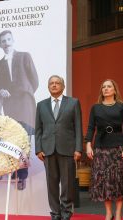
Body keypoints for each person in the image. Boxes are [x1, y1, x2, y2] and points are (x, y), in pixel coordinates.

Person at [0, 30, 39, 190]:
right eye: (3, 41)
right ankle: (14, 168)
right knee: (13, 138)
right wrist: (0, 91)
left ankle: (21, 174)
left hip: (24, 102)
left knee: (23, 138)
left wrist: (23, 92)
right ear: (0, 45)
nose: (6, 42)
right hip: (10, 105)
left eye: (8, 39)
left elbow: (34, 81)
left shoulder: (25, 56)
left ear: (13, 40)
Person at [85, 79, 123, 220]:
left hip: (118, 146)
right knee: (104, 181)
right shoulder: (96, 108)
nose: (106, 89)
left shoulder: (122, 106)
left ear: (114, 90)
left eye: (109, 86)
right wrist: (88, 144)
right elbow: (90, 128)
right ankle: (108, 213)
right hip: (100, 147)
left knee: (119, 180)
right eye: (104, 87)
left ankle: (118, 213)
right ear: (101, 90)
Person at [35, 75, 82, 220]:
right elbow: (38, 129)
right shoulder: (41, 105)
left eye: (57, 83)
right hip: (48, 150)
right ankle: (55, 213)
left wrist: (78, 148)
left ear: (63, 86)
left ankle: (66, 213)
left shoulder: (73, 103)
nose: (54, 85)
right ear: (48, 87)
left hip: (67, 149)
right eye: (51, 83)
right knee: (52, 184)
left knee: (67, 184)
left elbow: (78, 128)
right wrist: (38, 149)